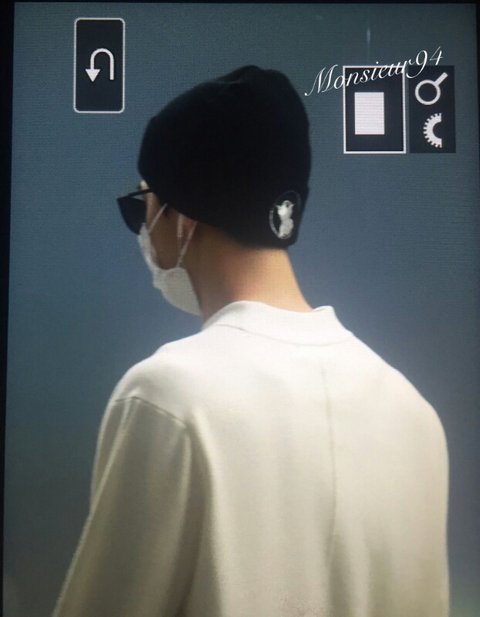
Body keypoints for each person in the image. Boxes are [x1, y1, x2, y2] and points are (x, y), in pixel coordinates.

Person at [52, 65, 449, 617]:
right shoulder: (416, 418)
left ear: (182, 218)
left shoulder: (167, 401)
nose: (144, 229)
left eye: (142, 205)